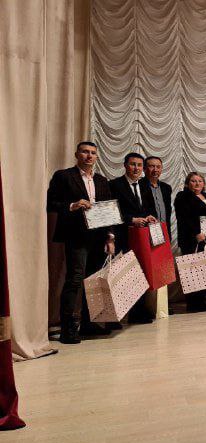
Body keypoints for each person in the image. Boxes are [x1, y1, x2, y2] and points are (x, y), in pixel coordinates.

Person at [47, 141, 116, 344]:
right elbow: (50, 203)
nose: (89, 155)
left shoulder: (102, 180)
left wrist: (110, 237)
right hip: (76, 236)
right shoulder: (63, 176)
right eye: (85, 152)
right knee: (75, 280)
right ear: (77, 154)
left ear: (96, 157)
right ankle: (68, 330)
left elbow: (108, 210)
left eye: (93, 153)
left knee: (93, 281)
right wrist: (73, 205)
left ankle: (89, 324)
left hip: (98, 237)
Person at [109, 152, 158, 324]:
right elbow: (112, 211)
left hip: (141, 237)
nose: (136, 168)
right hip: (122, 236)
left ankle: (138, 313)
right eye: (132, 164)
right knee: (121, 276)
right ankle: (115, 317)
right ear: (125, 165)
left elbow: (149, 208)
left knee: (139, 273)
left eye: (139, 165)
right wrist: (131, 220)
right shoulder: (114, 185)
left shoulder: (145, 185)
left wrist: (149, 216)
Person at [174, 172, 206, 312]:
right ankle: (192, 303)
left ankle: (201, 300)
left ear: (203, 184)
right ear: (188, 183)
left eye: (200, 181)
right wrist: (196, 233)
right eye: (193, 181)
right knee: (192, 271)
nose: (197, 183)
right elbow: (184, 218)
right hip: (191, 239)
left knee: (205, 269)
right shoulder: (182, 196)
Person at [144, 156, 173, 239]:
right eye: (152, 166)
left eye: (158, 167)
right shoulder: (138, 186)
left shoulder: (166, 188)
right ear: (144, 169)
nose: (155, 170)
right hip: (146, 231)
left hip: (164, 230)